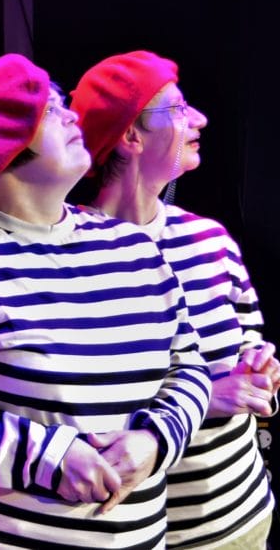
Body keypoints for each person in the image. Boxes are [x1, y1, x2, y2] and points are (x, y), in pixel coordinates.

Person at [0, 53, 212, 548]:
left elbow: (189, 366)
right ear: (2, 140)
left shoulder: (134, 247)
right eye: (51, 109)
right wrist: (50, 456)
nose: (74, 116)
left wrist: (155, 440)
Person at [71, 49, 277, 548]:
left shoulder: (210, 239)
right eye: (179, 109)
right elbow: (79, 405)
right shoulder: (72, 254)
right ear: (130, 135)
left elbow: (252, 345)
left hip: (245, 511)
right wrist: (208, 395)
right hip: (160, 529)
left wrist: (261, 370)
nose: (199, 120)